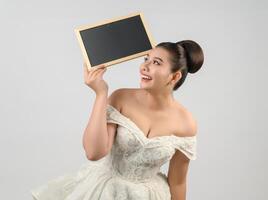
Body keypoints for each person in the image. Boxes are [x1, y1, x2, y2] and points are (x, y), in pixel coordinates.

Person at [30, 40, 204, 200]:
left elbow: (178, 183)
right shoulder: (121, 98)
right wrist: (101, 94)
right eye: (146, 59)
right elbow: (94, 152)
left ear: (174, 77)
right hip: (103, 190)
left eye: (156, 63)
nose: (144, 66)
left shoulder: (186, 123)